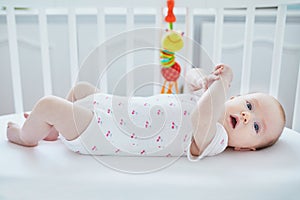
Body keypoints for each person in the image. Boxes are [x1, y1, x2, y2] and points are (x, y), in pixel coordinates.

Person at [6, 64, 286, 161]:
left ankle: (26, 136)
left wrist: (223, 83)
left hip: (103, 132)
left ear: (246, 149)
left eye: (257, 128)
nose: (248, 117)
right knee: (80, 89)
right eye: (249, 106)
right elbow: (190, 78)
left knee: (47, 104)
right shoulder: (208, 99)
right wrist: (204, 81)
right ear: (235, 99)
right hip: (110, 108)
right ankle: (54, 130)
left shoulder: (217, 138)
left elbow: (202, 117)